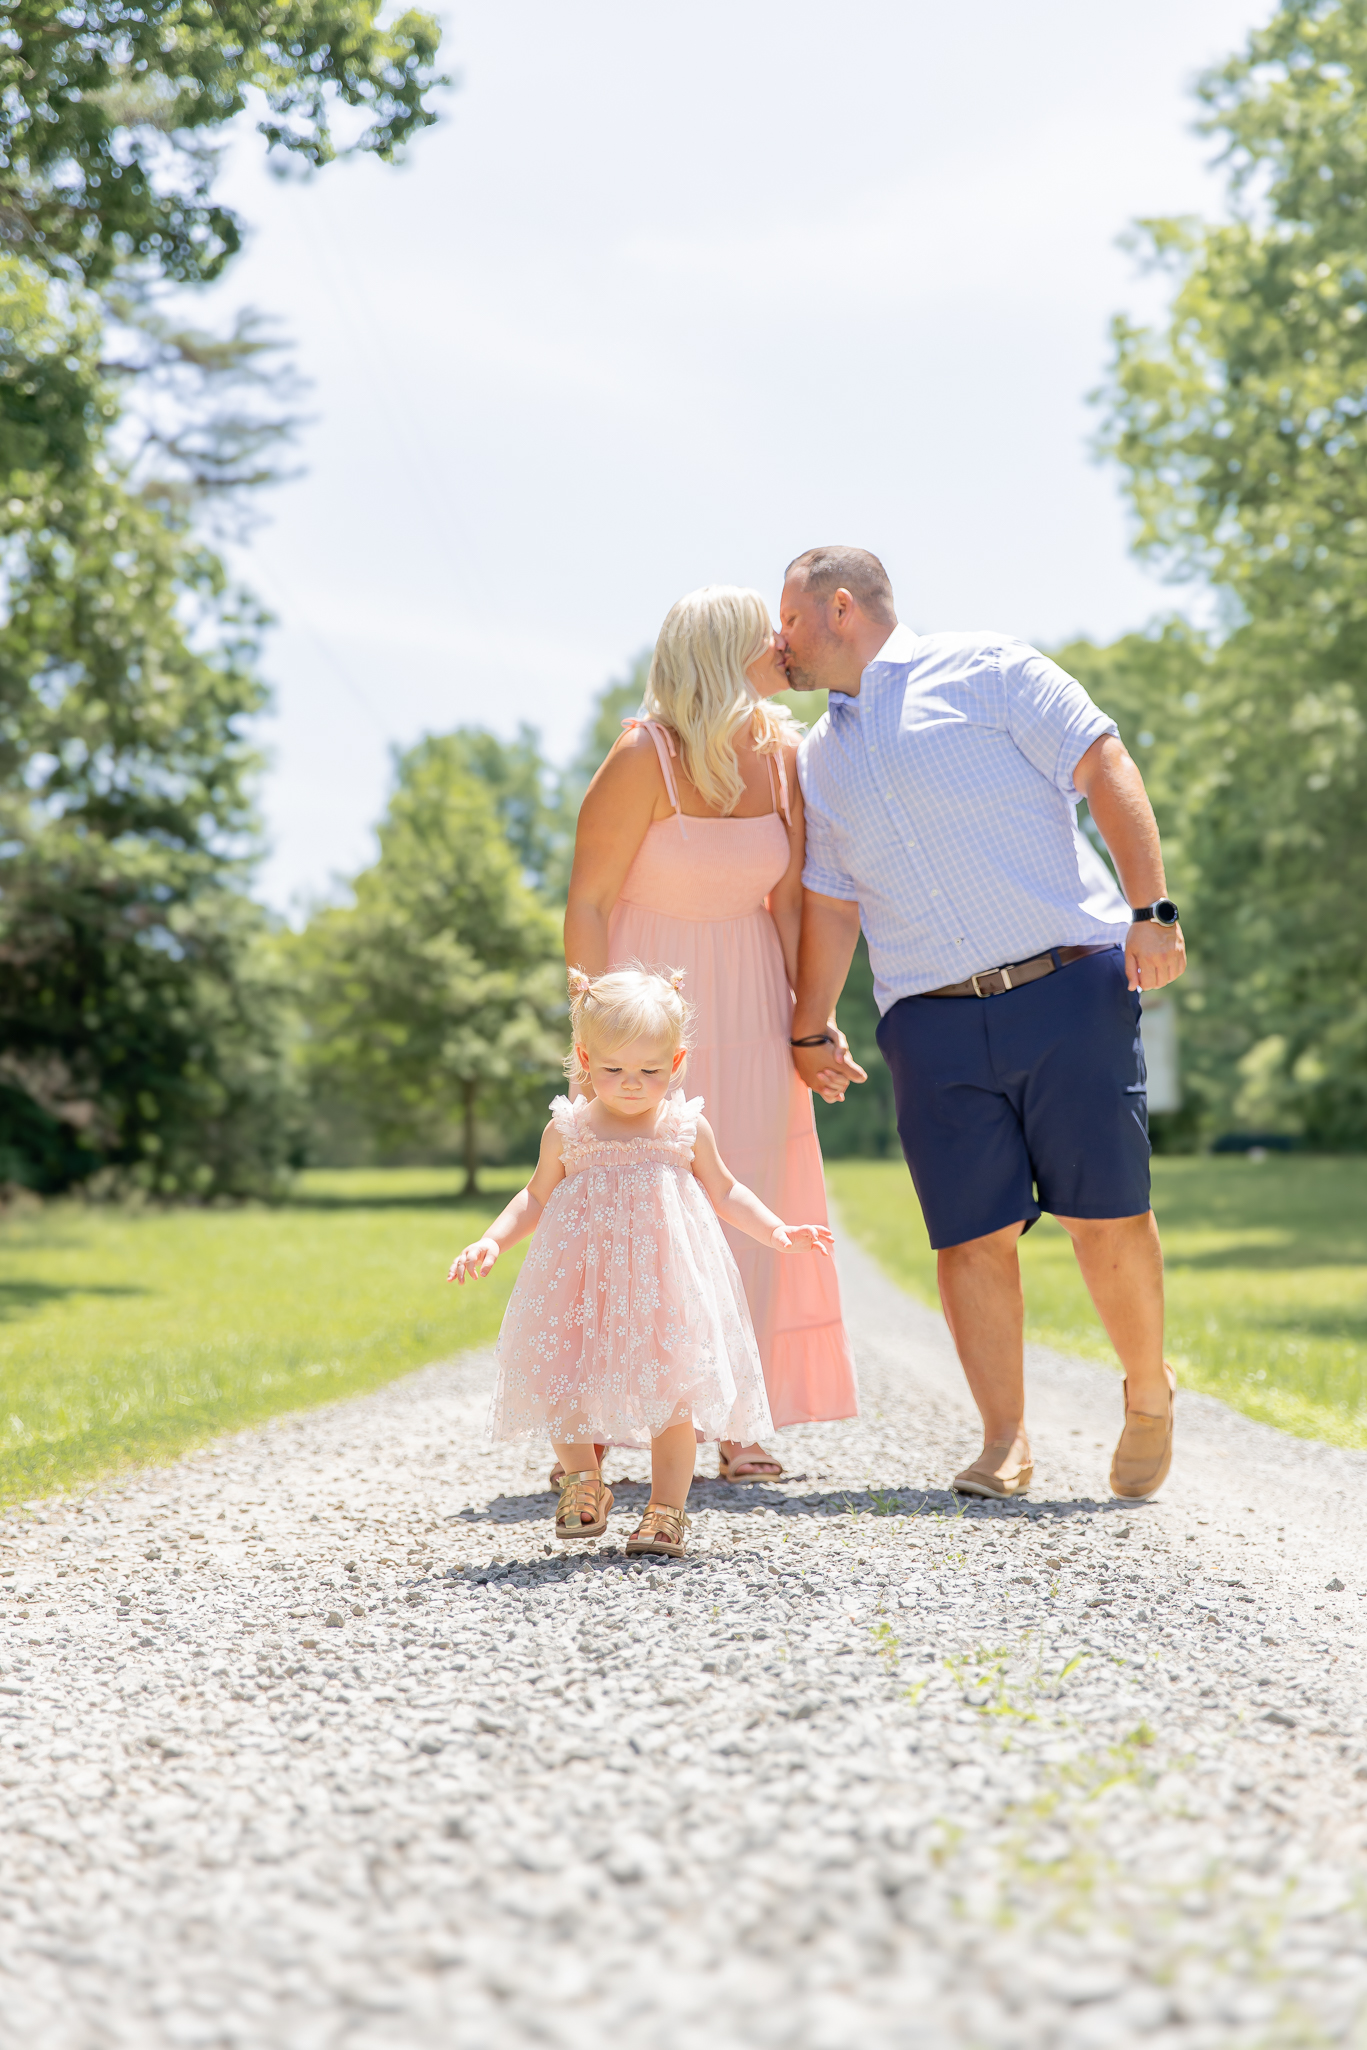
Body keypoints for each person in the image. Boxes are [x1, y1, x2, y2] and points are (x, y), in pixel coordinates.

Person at [780, 545, 1186, 1502]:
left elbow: (1104, 761)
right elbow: (832, 902)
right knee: (968, 1236)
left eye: (788, 620)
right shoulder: (817, 758)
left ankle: (1147, 1389)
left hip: (1067, 987)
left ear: (839, 608)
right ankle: (1004, 1439)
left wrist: (1151, 910)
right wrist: (809, 1025)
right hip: (930, 1020)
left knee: (1105, 1216)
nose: (777, 641)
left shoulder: (990, 670)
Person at [564, 585, 858, 1483]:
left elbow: (788, 901)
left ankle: (739, 1419)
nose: (782, 645)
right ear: (720, 651)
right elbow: (589, 901)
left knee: (750, 1191)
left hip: (751, 997)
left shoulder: (782, 754)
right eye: (762, 637)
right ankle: (598, 1423)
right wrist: (592, 1027)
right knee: (632, 1205)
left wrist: (810, 1021)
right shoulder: (638, 755)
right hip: (646, 1000)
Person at [447, 968, 834, 1558]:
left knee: (672, 1394)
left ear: (676, 1061)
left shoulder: (683, 1126)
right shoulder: (569, 1128)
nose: (632, 1085)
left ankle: (665, 1511)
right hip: (582, 1283)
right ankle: (581, 1482)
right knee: (566, 1376)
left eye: (650, 1071)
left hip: (663, 1285)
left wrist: (778, 1231)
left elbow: (726, 1190)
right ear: (583, 1058)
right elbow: (534, 1195)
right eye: (614, 1071)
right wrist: (492, 1240)